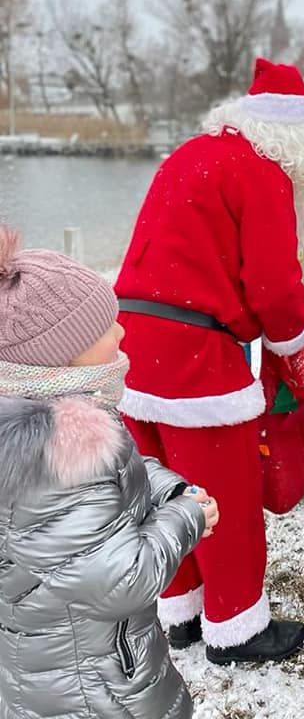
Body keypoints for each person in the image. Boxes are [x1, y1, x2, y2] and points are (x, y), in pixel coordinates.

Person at [115, 58, 304, 665]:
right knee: (224, 492)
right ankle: (236, 628)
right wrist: (292, 345)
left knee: (158, 488)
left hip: (128, 342)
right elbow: (274, 290)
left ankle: (183, 610)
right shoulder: (263, 171)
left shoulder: (188, 155)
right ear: (302, 140)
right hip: (196, 352)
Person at [0, 228, 219, 718]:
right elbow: (121, 578)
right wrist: (187, 519)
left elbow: (115, 480)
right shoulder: (58, 451)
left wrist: (168, 489)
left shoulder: (41, 420)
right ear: (62, 355)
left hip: (49, 664)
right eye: (106, 326)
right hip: (94, 685)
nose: (121, 333)